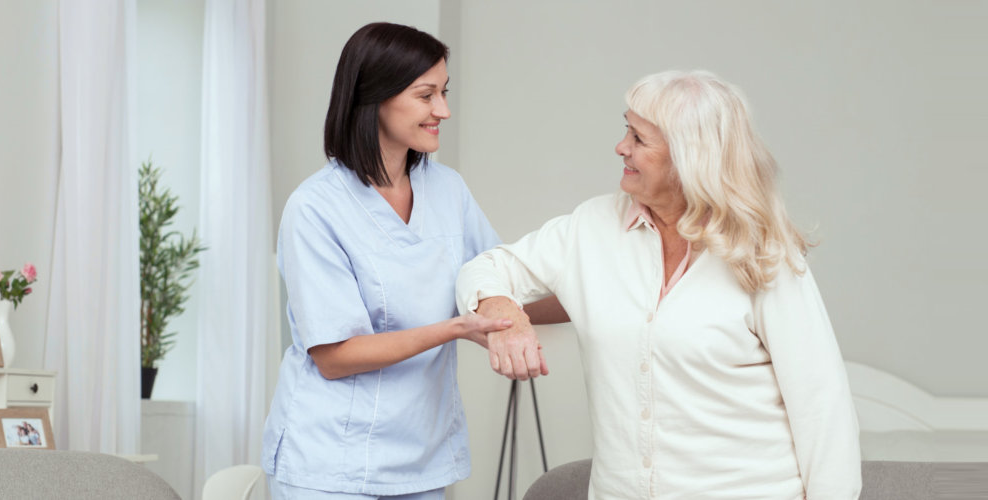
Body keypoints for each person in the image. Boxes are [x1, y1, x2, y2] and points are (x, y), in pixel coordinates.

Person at [457, 70, 863, 499]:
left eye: (639, 138)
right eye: (625, 129)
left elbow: (822, 408)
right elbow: (485, 267)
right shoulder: (591, 227)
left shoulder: (763, 252)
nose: (621, 147)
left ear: (691, 156)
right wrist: (503, 308)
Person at [261, 22, 567, 500]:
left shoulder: (447, 190)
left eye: (443, 93)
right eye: (426, 95)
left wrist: (588, 297)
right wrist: (454, 328)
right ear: (375, 96)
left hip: (420, 459)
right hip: (331, 462)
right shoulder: (315, 208)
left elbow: (496, 289)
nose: (442, 110)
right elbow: (335, 357)